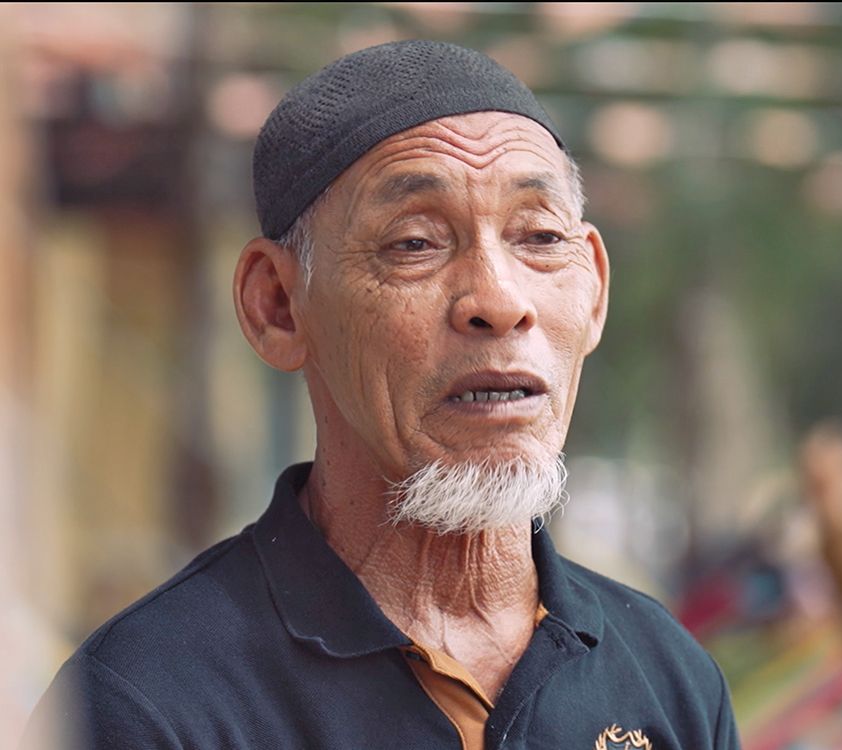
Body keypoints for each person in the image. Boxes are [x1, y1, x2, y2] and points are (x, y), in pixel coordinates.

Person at [23, 40, 740, 750]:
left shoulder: (668, 682)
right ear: (277, 306)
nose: (498, 299)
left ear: (593, 294)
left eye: (539, 237)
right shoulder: (145, 703)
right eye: (414, 244)